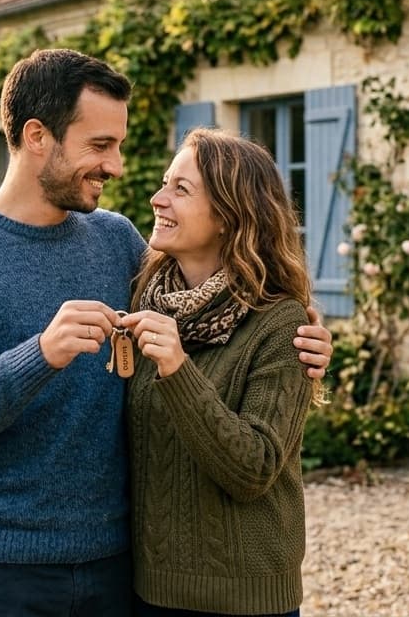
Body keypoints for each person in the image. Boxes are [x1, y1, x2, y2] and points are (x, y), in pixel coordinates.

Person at [0, 49, 332, 617]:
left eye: (119, 145)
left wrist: (305, 335)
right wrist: (41, 354)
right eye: (100, 145)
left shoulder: (118, 242)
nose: (117, 165)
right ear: (37, 136)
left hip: (119, 569)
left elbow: (219, 301)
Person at [121, 129, 317, 616]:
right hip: (149, 591)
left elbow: (254, 468)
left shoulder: (280, 322)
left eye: (180, 189)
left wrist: (177, 367)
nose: (157, 198)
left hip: (244, 599)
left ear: (231, 216)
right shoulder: (143, 299)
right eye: (166, 183)